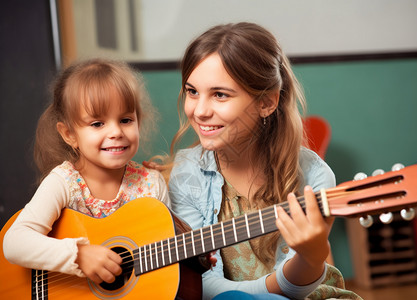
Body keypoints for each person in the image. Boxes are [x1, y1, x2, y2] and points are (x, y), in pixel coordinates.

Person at [163, 23, 360, 299]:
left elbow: (295, 289)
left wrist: (311, 258)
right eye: (192, 91)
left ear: (266, 103)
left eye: (220, 94)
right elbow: (203, 282)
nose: (199, 110)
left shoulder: (312, 177)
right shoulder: (188, 172)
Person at [3, 58, 170, 284]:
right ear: (69, 134)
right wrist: (79, 255)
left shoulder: (151, 185)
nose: (116, 132)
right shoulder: (64, 182)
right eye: (97, 124)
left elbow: (165, 257)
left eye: (125, 120)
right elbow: (14, 243)